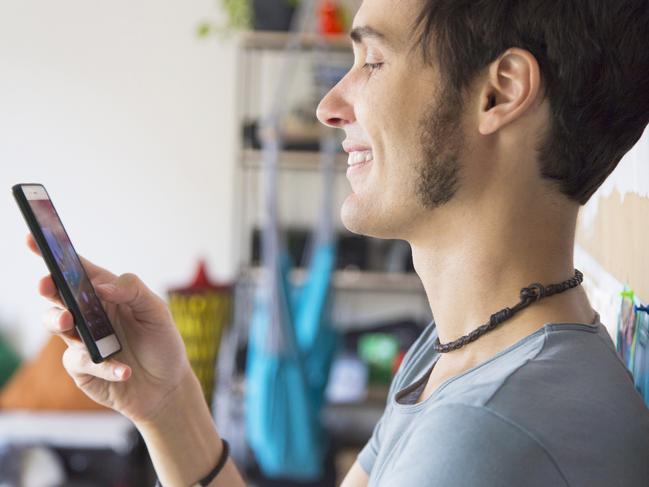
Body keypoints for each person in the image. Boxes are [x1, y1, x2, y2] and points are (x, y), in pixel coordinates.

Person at [28, 0, 649, 485]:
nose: (329, 106)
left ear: (500, 91)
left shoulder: (487, 431)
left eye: (371, 62)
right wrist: (166, 404)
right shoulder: (460, 350)